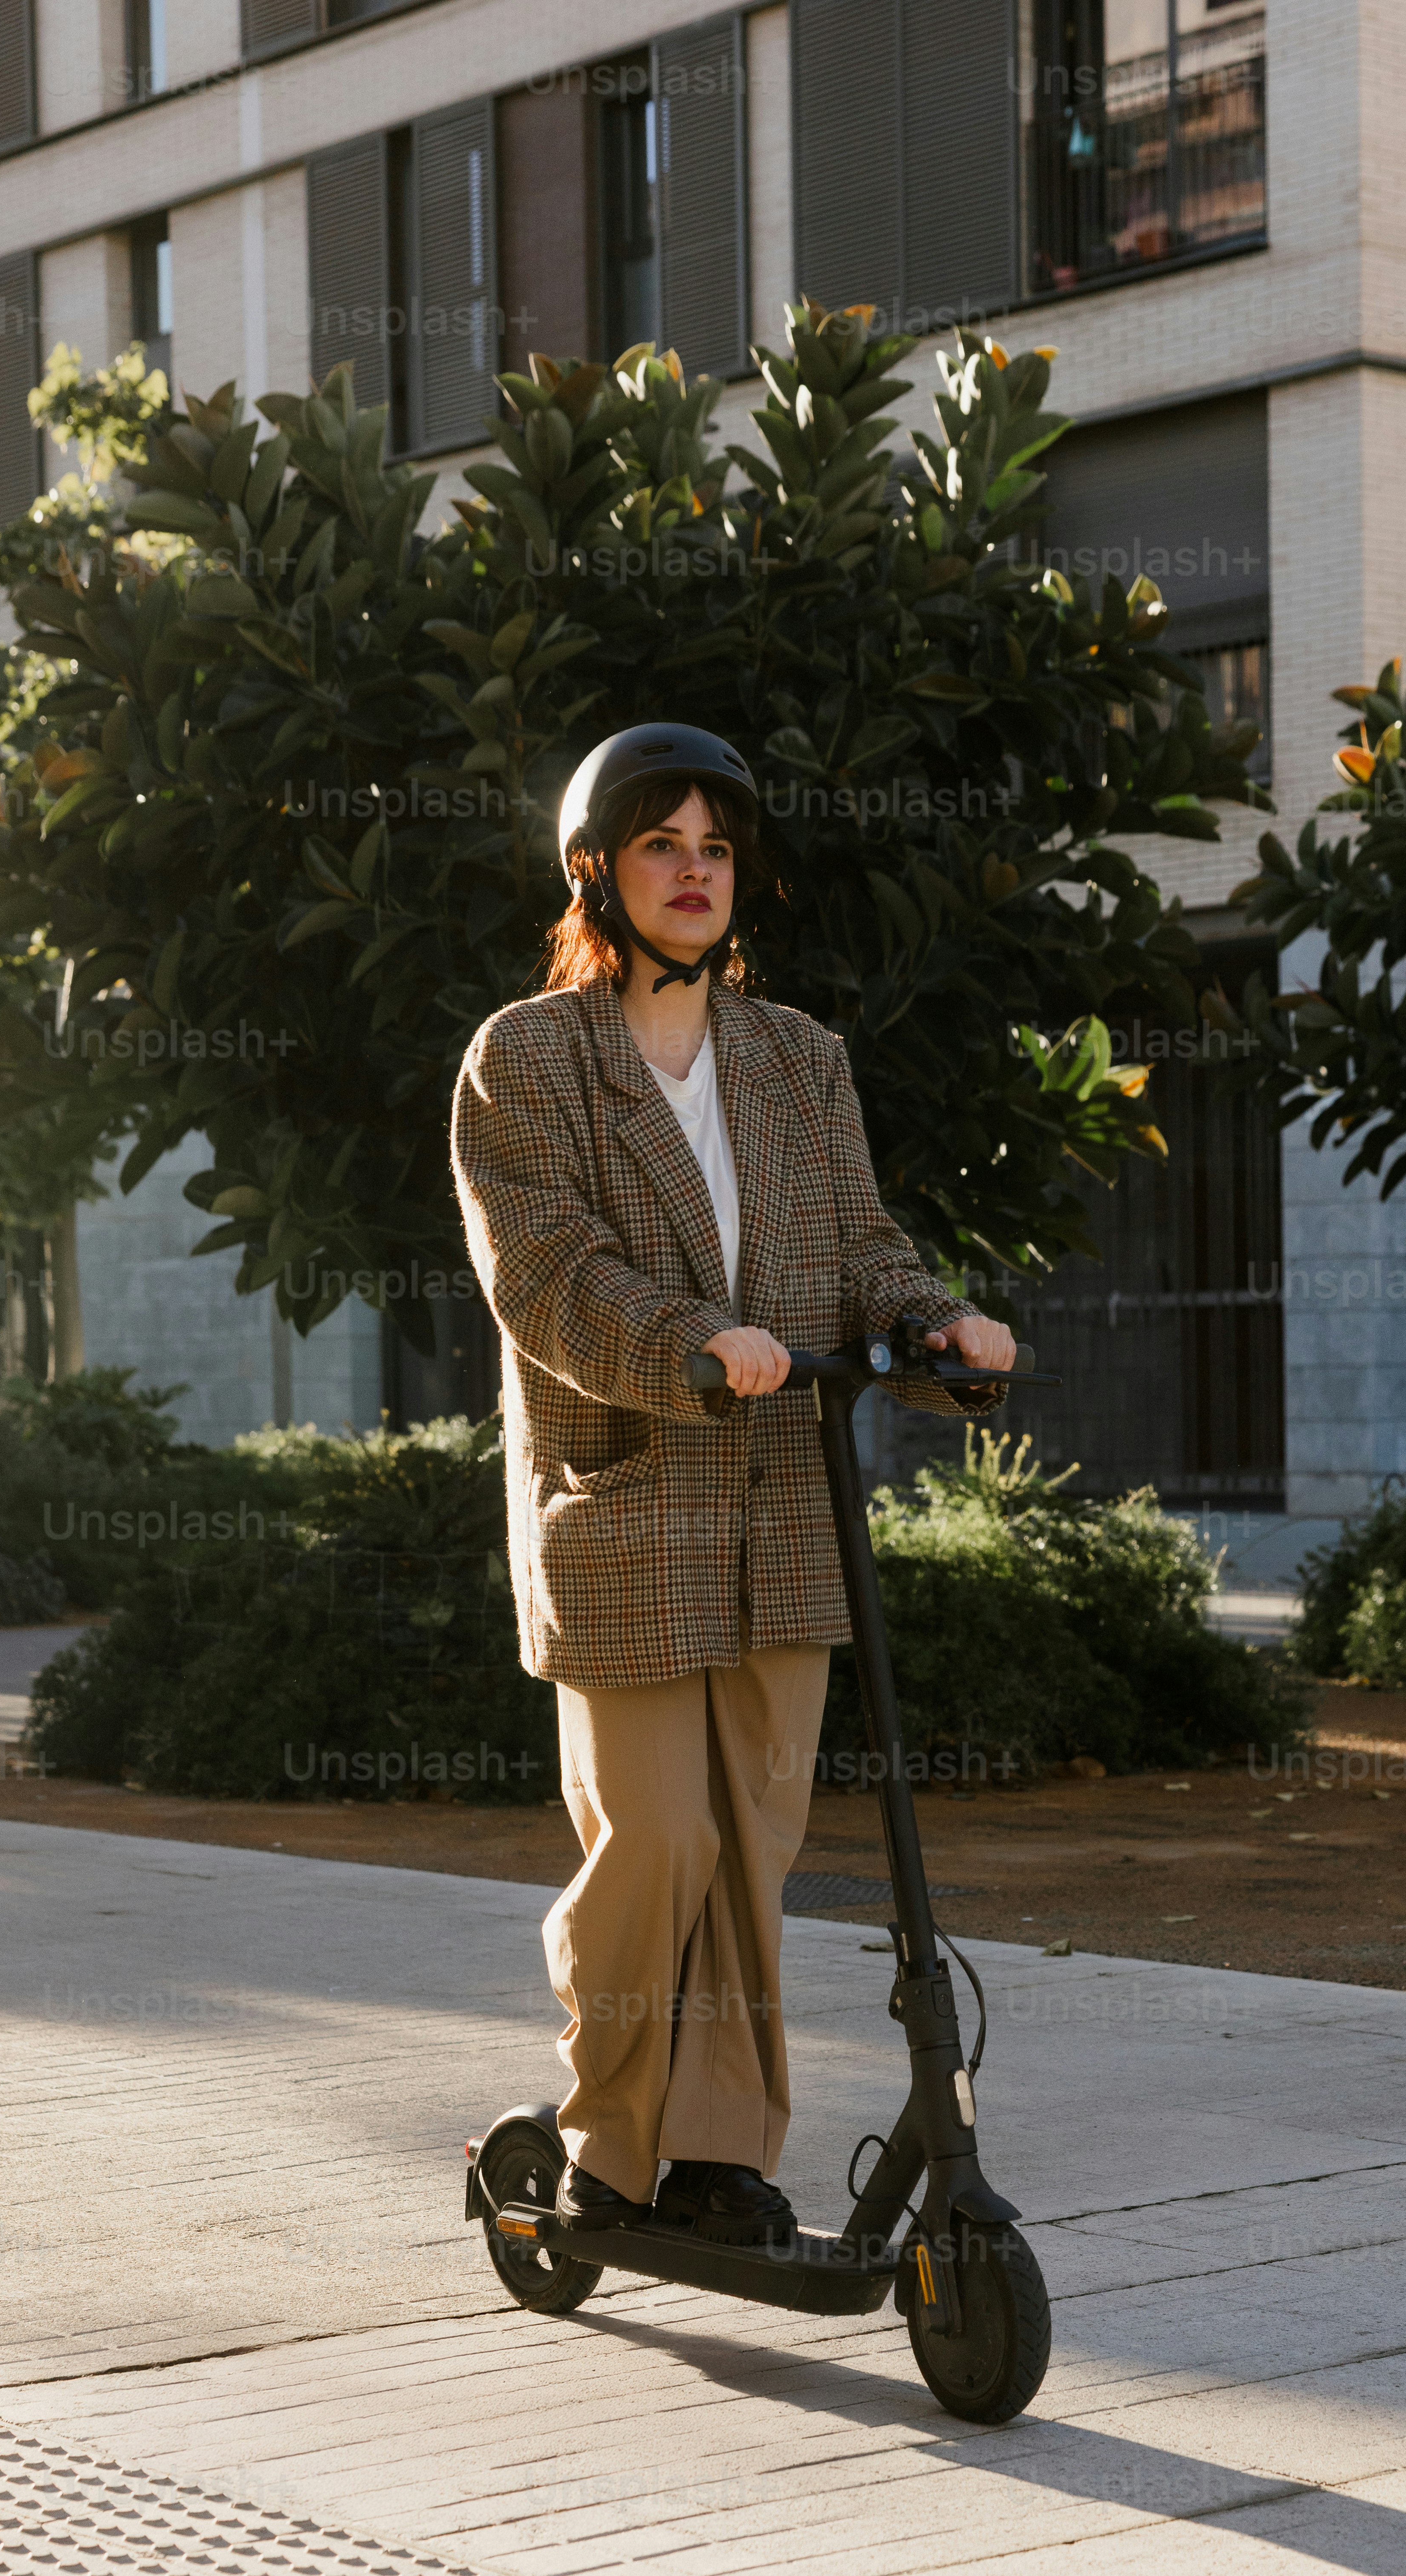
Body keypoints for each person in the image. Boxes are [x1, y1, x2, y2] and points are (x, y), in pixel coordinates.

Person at [451, 724, 1015, 2244]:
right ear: (599, 870)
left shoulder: (798, 1056)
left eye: (713, 847)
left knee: (755, 1845)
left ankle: (713, 2155)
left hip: (782, 1509)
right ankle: (608, 2135)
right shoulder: (527, 1057)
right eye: (660, 844)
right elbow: (550, 1277)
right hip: (629, 1503)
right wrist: (697, 1340)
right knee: (662, 1836)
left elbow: (860, 1244)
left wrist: (929, 1327)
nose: (693, 871)